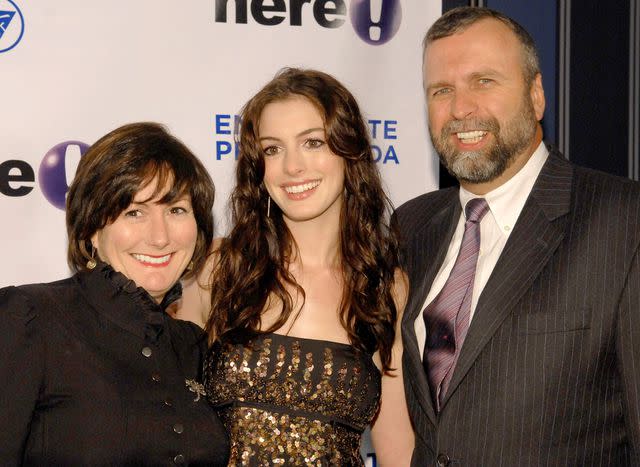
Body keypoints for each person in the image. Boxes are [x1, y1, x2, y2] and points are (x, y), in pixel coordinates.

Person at [396, 6, 640, 466]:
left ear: (536, 95)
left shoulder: (624, 222)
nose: (461, 108)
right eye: (441, 90)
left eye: (484, 81)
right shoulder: (410, 227)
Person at [181, 67, 414, 465]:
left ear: (349, 151)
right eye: (273, 149)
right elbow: (167, 421)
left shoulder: (385, 288)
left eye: (313, 142)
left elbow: (397, 451)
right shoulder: (219, 269)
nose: (292, 167)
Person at [0, 122, 229, 465]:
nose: (160, 237)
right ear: (92, 229)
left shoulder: (193, 346)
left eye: (176, 210)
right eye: (134, 212)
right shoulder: (31, 316)